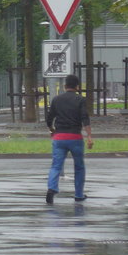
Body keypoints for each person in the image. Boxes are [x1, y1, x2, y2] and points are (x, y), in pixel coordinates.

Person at [45, 74, 93, 204]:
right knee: (79, 167)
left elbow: (49, 118)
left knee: (56, 165)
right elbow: (85, 118)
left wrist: (52, 130)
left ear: (65, 86)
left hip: (59, 137)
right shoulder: (80, 100)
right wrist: (89, 136)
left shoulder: (56, 99)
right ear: (77, 87)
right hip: (75, 137)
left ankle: (52, 188)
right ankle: (78, 194)